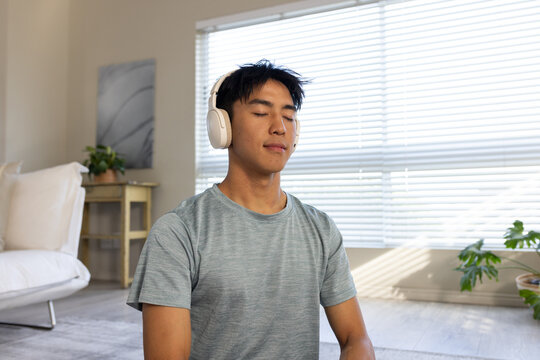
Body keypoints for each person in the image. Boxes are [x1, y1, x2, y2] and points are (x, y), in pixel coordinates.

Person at [127, 60, 375, 360]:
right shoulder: (178, 233)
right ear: (223, 127)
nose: (279, 127)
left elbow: (356, 339)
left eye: (288, 116)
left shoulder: (321, 229)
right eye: (261, 113)